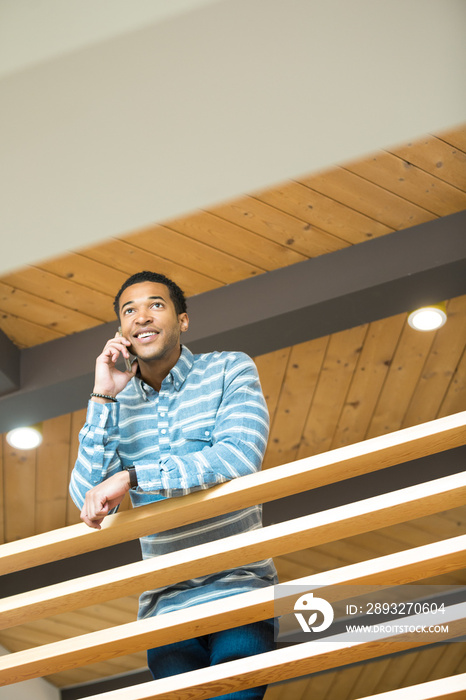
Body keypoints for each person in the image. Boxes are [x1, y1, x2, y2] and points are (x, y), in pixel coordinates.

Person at [69, 270, 278, 699]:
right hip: (164, 606)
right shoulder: (116, 403)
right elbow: (87, 498)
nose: (141, 317)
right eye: (130, 310)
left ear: (182, 320)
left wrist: (134, 477)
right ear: (121, 331)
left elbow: (238, 457)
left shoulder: (227, 368)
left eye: (155, 305)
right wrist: (102, 397)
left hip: (240, 585)